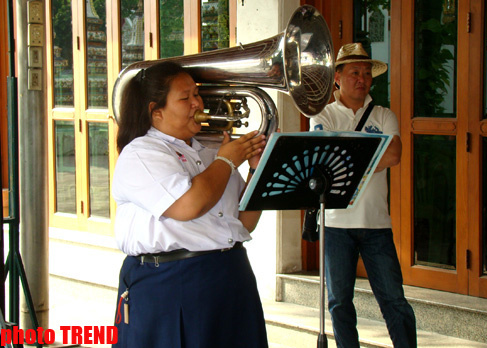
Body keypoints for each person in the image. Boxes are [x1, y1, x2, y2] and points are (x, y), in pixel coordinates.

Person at [112, 61, 269, 348]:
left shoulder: (210, 153)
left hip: (231, 275)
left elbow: (244, 223)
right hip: (172, 282)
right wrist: (228, 160)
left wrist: (257, 170)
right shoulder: (140, 153)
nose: (198, 102)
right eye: (185, 98)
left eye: (197, 94)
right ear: (155, 111)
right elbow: (188, 206)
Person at [307, 43, 417, 348]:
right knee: (339, 302)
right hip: (335, 223)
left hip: (377, 224)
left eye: (367, 73)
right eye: (355, 72)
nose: (362, 78)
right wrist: (369, 151)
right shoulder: (322, 116)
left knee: (394, 300)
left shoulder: (383, 114)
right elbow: (326, 160)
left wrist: (346, 152)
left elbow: (393, 155)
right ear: (338, 77)